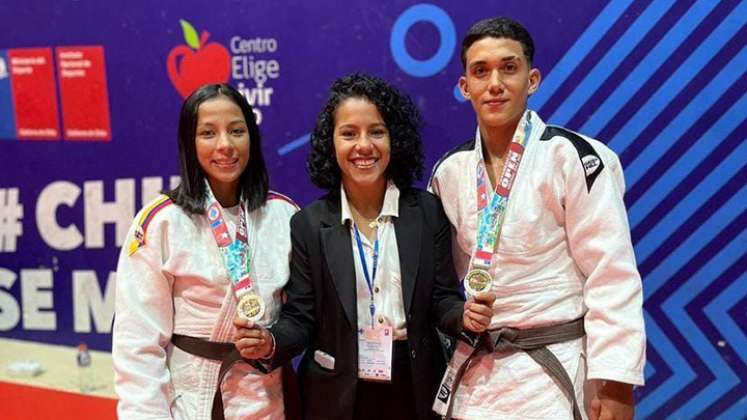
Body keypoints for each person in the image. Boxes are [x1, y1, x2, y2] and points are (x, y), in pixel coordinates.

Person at [233, 73, 494, 420]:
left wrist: (464, 317)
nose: (364, 146)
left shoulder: (427, 212)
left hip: (416, 388)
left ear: (394, 139)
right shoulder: (310, 224)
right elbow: (300, 319)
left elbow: (442, 299)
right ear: (332, 143)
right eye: (349, 133)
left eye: (376, 131)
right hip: (335, 396)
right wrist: (270, 343)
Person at [428, 17, 646, 420]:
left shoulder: (573, 158)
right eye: (481, 71)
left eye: (508, 68)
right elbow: (439, 286)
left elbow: (611, 275)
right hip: (478, 379)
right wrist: (458, 317)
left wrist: (616, 383)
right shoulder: (449, 173)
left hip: (556, 375)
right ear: (465, 88)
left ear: (532, 80)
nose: (494, 83)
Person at [112, 83, 298, 420]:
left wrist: (272, 340)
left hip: (267, 399)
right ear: (189, 143)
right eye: (208, 133)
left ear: (252, 139)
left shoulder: (285, 216)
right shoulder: (161, 221)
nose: (225, 145)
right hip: (190, 399)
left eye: (237, 131)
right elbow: (136, 342)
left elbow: (306, 318)